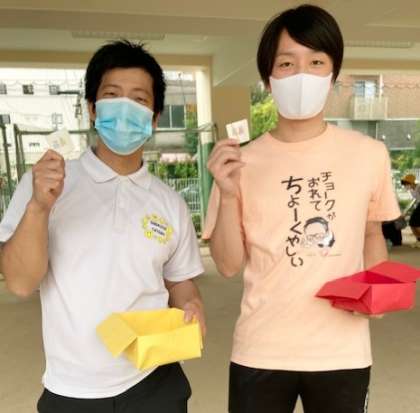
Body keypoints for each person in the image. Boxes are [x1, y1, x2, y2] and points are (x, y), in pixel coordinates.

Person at [204, 5, 400, 413]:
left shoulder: (369, 154)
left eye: (316, 62)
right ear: (268, 78)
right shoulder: (240, 162)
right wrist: (226, 193)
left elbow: (371, 234)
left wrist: (379, 293)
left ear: (333, 74)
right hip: (260, 349)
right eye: (286, 63)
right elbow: (226, 265)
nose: (301, 75)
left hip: (342, 352)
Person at [0, 40, 205, 413]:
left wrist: (191, 304)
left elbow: (180, 281)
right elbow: (19, 282)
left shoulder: (169, 203)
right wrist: (39, 207)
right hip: (71, 390)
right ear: (93, 109)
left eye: (139, 100)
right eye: (112, 95)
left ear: (154, 118)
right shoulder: (46, 185)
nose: (125, 108)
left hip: (155, 379)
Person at [401, 174, 420, 248]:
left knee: (414, 222)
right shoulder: (411, 190)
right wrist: (406, 210)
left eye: (406, 183)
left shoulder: (419, 187)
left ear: (412, 182)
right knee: (412, 223)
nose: (405, 185)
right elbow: (414, 200)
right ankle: (418, 240)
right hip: (418, 205)